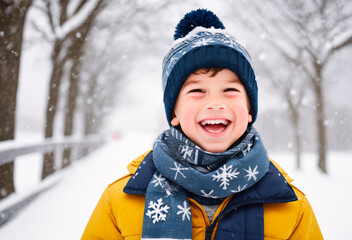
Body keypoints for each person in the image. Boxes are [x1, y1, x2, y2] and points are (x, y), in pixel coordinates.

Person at [82, 9, 323, 240]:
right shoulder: (121, 200)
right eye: (197, 90)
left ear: (249, 110)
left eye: (230, 90)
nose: (216, 103)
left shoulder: (289, 205)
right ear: (174, 113)